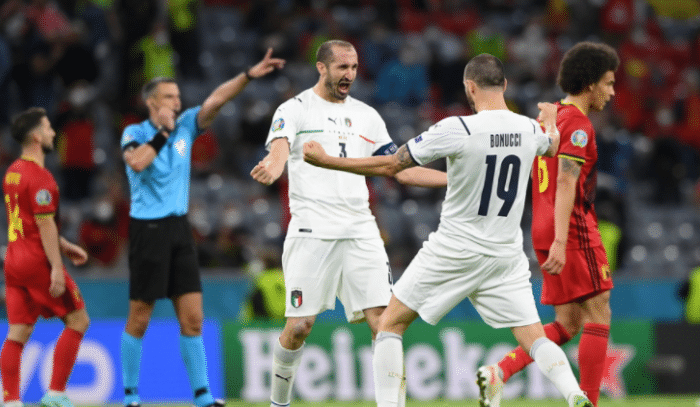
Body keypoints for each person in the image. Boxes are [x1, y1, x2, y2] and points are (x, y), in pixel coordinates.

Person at [303, 53, 595, 407]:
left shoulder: (458, 128)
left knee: (389, 325)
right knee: (534, 338)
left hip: (454, 248)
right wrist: (550, 122)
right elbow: (552, 146)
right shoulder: (528, 129)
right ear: (504, 85)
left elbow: (393, 164)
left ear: (470, 88)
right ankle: (575, 394)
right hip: (504, 254)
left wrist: (328, 161)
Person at [249, 39, 447, 407]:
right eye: (342, 67)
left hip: (361, 230)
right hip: (312, 232)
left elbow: (399, 169)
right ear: (321, 68)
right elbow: (279, 148)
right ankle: (279, 403)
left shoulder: (368, 116)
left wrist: (455, 181)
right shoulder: (295, 109)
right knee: (299, 328)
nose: (350, 74)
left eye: (354, 67)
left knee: (383, 322)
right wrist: (274, 167)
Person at [119, 49, 285, 407]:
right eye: (169, 97)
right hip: (148, 231)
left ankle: (203, 396)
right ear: (151, 102)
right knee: (140, 318)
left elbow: (216, 100)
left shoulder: (187, 125)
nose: (177, 102)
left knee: (193, 318)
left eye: (178, 96)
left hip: (179, 230)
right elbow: (138, 162)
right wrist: (163, 132)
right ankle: (130, 395)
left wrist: (248, 75)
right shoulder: (135, 132)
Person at [477, 41, 619, 407]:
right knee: (600, 308)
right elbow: (567, 180)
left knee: (568, 323)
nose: (612, 92)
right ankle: (589, 401)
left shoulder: (549, 120)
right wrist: (560, 239)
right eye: (608, 83)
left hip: (542, 225)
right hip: (570, 229)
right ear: (590, 83)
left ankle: (500, 371)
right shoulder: (578, 125)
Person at [1, 107, 90, 407]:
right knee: (78, 320)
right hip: (37, 261)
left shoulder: (13, 172)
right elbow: (44, 224)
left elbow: (29, 222)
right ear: (37, 137)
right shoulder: (41, 178)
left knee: (18, 331)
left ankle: (11, 401)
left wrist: (63, 245)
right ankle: (55, 393)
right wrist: (56, 267)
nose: (54, 132)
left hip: (14, 259)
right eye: (49, 127)